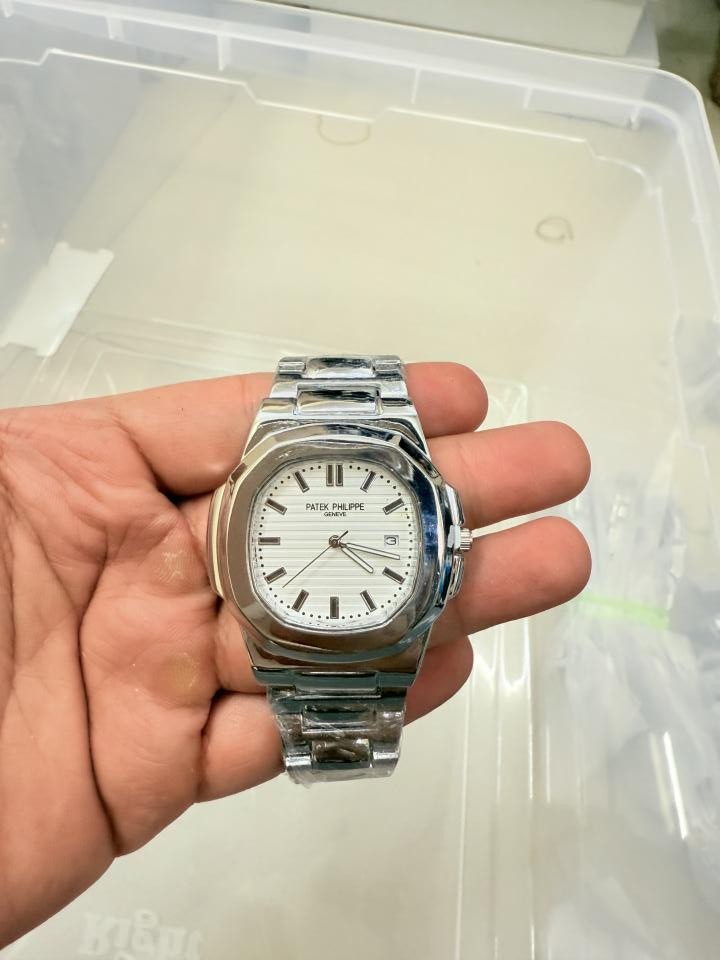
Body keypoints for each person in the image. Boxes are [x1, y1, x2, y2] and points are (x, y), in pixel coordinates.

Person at [0, 362, 590, 947]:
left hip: (369, 630)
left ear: (448, 546)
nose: (334, 540)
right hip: (313, 635)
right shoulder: (260, 512)